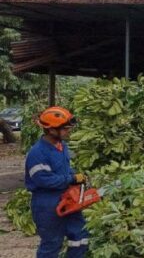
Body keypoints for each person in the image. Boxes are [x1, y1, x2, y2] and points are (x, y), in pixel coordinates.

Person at [25, 106, 89, 257]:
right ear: (52, 130)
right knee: (52, 243)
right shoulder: (37, 153)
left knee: (80, 237)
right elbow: (44, 180)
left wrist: (77, 177)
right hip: (47, 203)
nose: (69, 131)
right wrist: (71, 179)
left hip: (68, 199)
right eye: (65, 129)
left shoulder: (62, 146)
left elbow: (64, 169)